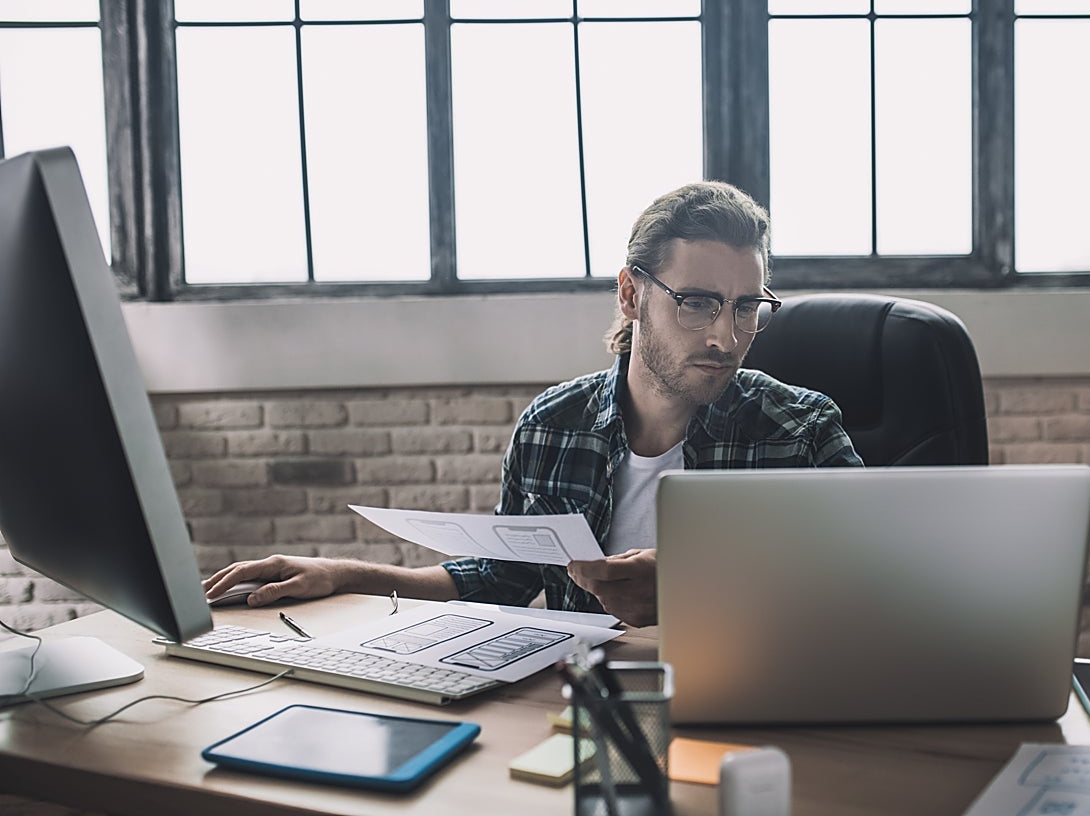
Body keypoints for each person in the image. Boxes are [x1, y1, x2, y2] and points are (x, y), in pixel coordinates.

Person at [203, 181, 863, 626]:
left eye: (747, 306)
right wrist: (342, 574)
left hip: (750, 715)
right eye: (697, 302)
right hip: (583, 713)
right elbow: (499, 582)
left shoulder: (800, 431)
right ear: (632, 296)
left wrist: (698, 589)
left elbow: (880, 593)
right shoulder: (553, 427)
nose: (726, 335)